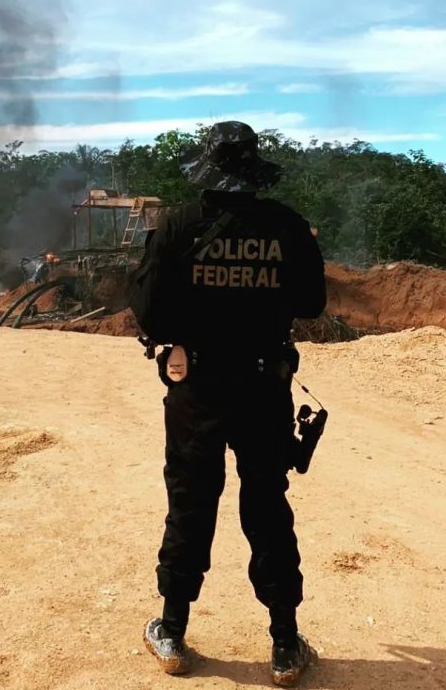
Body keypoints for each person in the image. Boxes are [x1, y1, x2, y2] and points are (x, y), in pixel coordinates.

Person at [129, 121, 326, 687]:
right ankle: (285, 643)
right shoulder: (287, 226)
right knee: (267, 505)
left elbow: (148, 308)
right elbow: (311, 302)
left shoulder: (177, 225)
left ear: (207, 166)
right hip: (265, 386)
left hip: (197, 388)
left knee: (191, 499)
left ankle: (171, 630)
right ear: (254, 169)